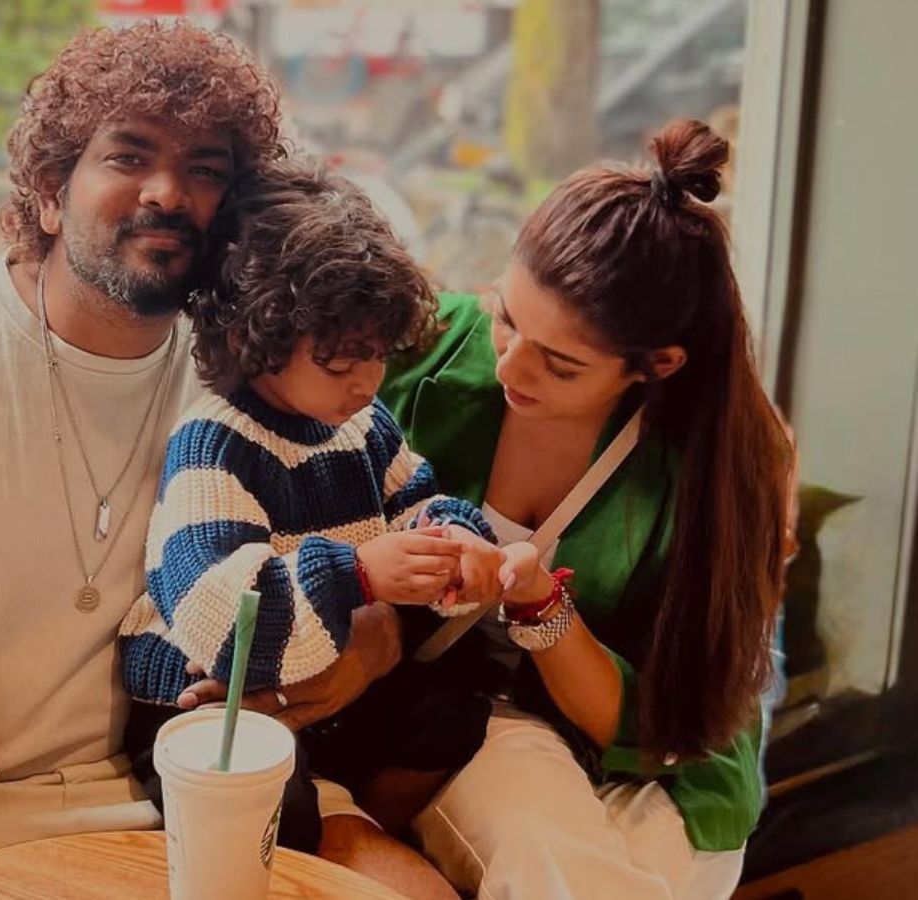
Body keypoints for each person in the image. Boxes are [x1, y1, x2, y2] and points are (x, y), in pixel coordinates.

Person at [0, 22, 452, 899]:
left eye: (205, 168)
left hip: (188, 792)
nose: (167, 191)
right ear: (50, 193)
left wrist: (376, 641)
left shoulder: (271, 378)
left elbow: (401, 530)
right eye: (128, 156)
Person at [374, 118, 791, 899]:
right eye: (507, 316)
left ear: (655, 365)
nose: (511, 366)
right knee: (565, 867)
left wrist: (539, 603)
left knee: (622, 877)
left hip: (655, 749)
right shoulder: (421, 350)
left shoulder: (706, 472)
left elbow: (655, 721)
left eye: (561, 365)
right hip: (455, 718)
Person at [119, 158, 549, 869]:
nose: (368, 381)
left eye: (377, 355)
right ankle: (318, 841)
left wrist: (453, 540)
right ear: (254, 339)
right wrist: (359, 573)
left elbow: (418, 500)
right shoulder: (215, 444)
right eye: (339, 363)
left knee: (451, 714)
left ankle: (356, 819)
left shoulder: (364, 426)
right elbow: (223, 620)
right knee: (268, 807)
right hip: (214, 697)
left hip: (329, 679)